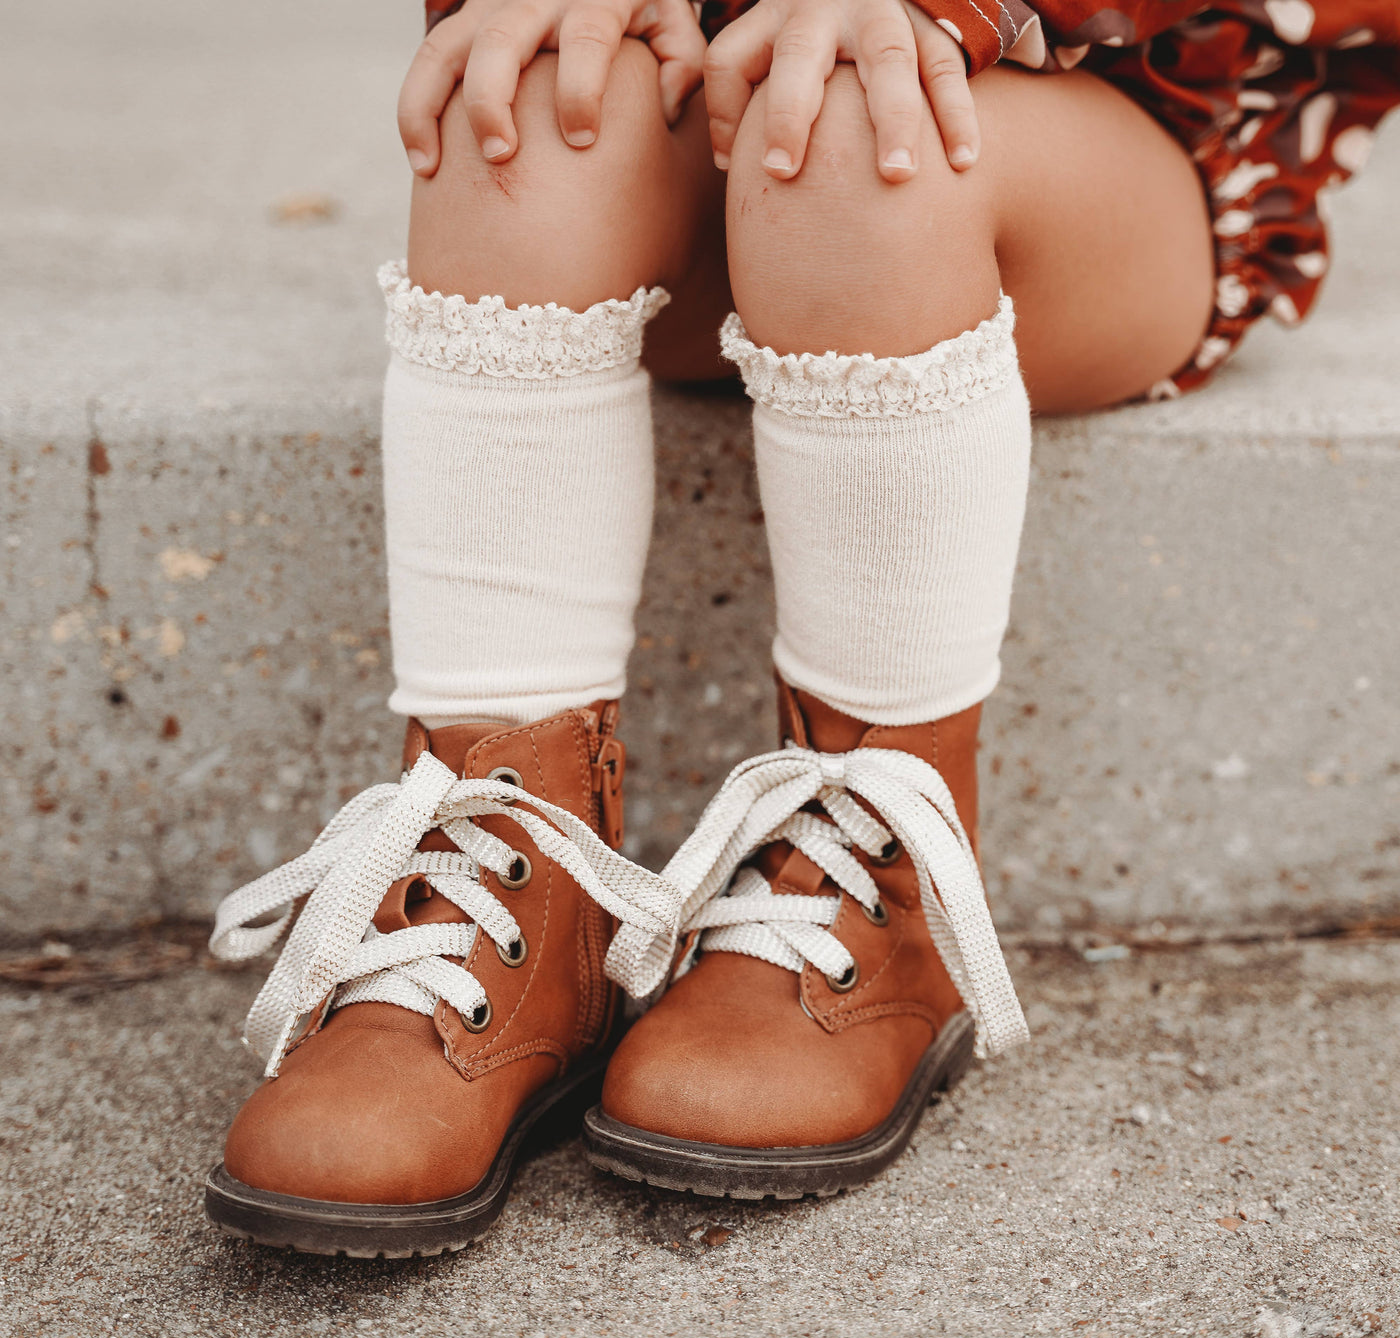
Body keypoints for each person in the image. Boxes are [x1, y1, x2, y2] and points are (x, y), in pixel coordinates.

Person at [201, 0, 1399, 1254]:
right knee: (532, 109)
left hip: (1069, 181)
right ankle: (515, 855)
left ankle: (881, 836)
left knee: (855, 116)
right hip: (702, 154)